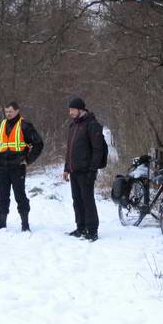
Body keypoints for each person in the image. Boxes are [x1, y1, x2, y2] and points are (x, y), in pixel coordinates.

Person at [0, 101, 43, 231]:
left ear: (17, 111)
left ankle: (25, 224)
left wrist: (28, 160)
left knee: (19, 194)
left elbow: (39, 143)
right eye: (6, 112)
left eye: (10, 112)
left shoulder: (25, 125)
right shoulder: (1, 124)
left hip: (17, 166)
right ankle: (2, 222)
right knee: (2, 194)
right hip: (3, 166)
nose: (8, 114)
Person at [62, 97, 106, 241]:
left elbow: (98, 150)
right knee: (77, 200)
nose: (70, 112)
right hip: (74, 170)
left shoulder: (92, 125)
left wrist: (93, 170)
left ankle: (92, 230)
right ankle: (81, 227)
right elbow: (70, 149)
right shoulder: (73, 126)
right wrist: (66, 168)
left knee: (87, 200)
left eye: (72, 110)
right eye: (69, 110)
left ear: (81, 109)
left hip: (87, 171)